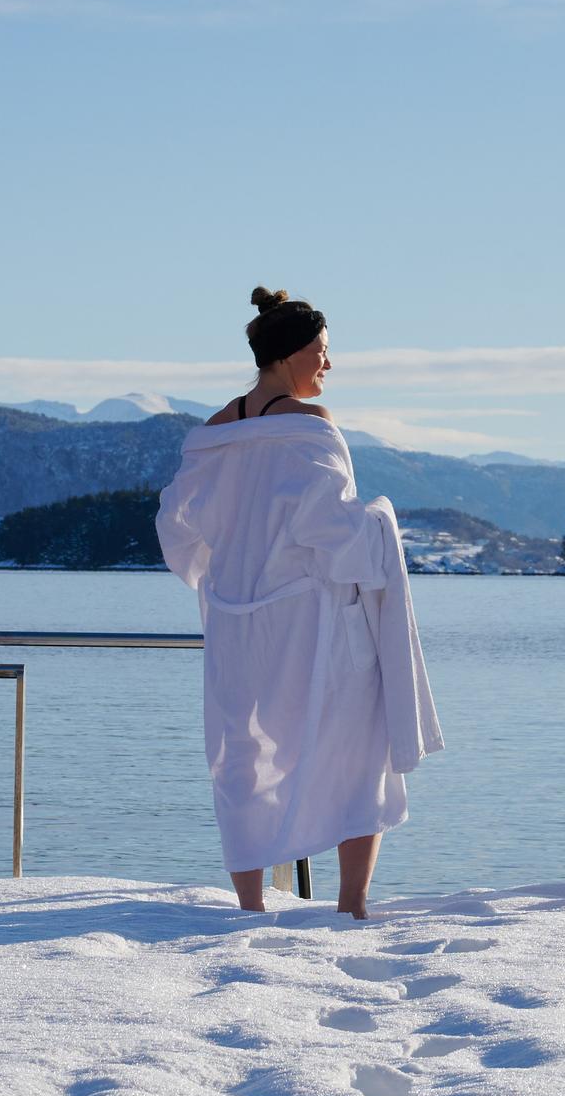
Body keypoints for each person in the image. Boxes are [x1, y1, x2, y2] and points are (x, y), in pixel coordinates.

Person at [154, 289, 442, 918]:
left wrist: (220, 575)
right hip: (313, 624)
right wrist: (380, 521)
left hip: (234, 620)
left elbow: (176, 526)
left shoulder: (212, 435)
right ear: (289, 354)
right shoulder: (311, 429)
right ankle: (353, 904)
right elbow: (333, 530)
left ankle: (252, 906)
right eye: (322, 351)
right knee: (358, 747)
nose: (328, 366)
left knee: (241, 754)